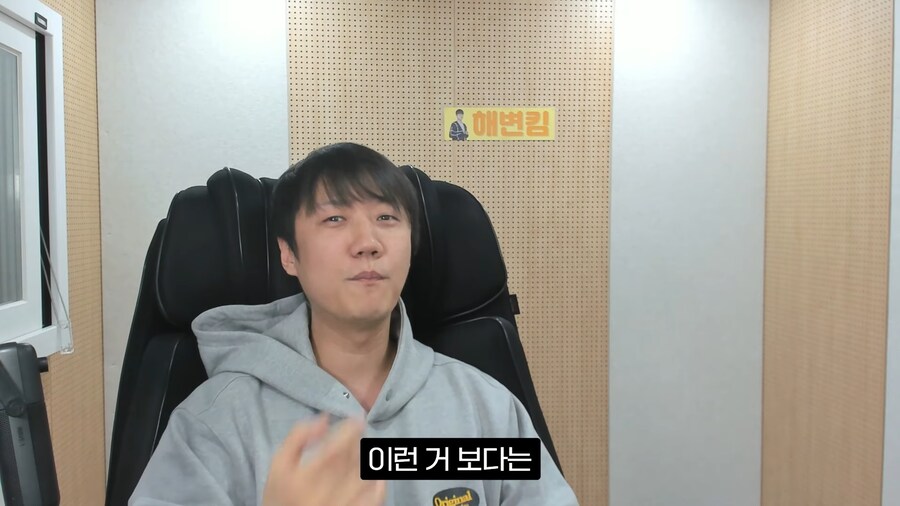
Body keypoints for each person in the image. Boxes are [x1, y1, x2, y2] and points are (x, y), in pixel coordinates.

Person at [129, 142, 578, 505]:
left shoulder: (485, 409)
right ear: (289, 254)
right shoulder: (216, 422)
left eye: (386, 218)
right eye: (335, 218)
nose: (367, 242)